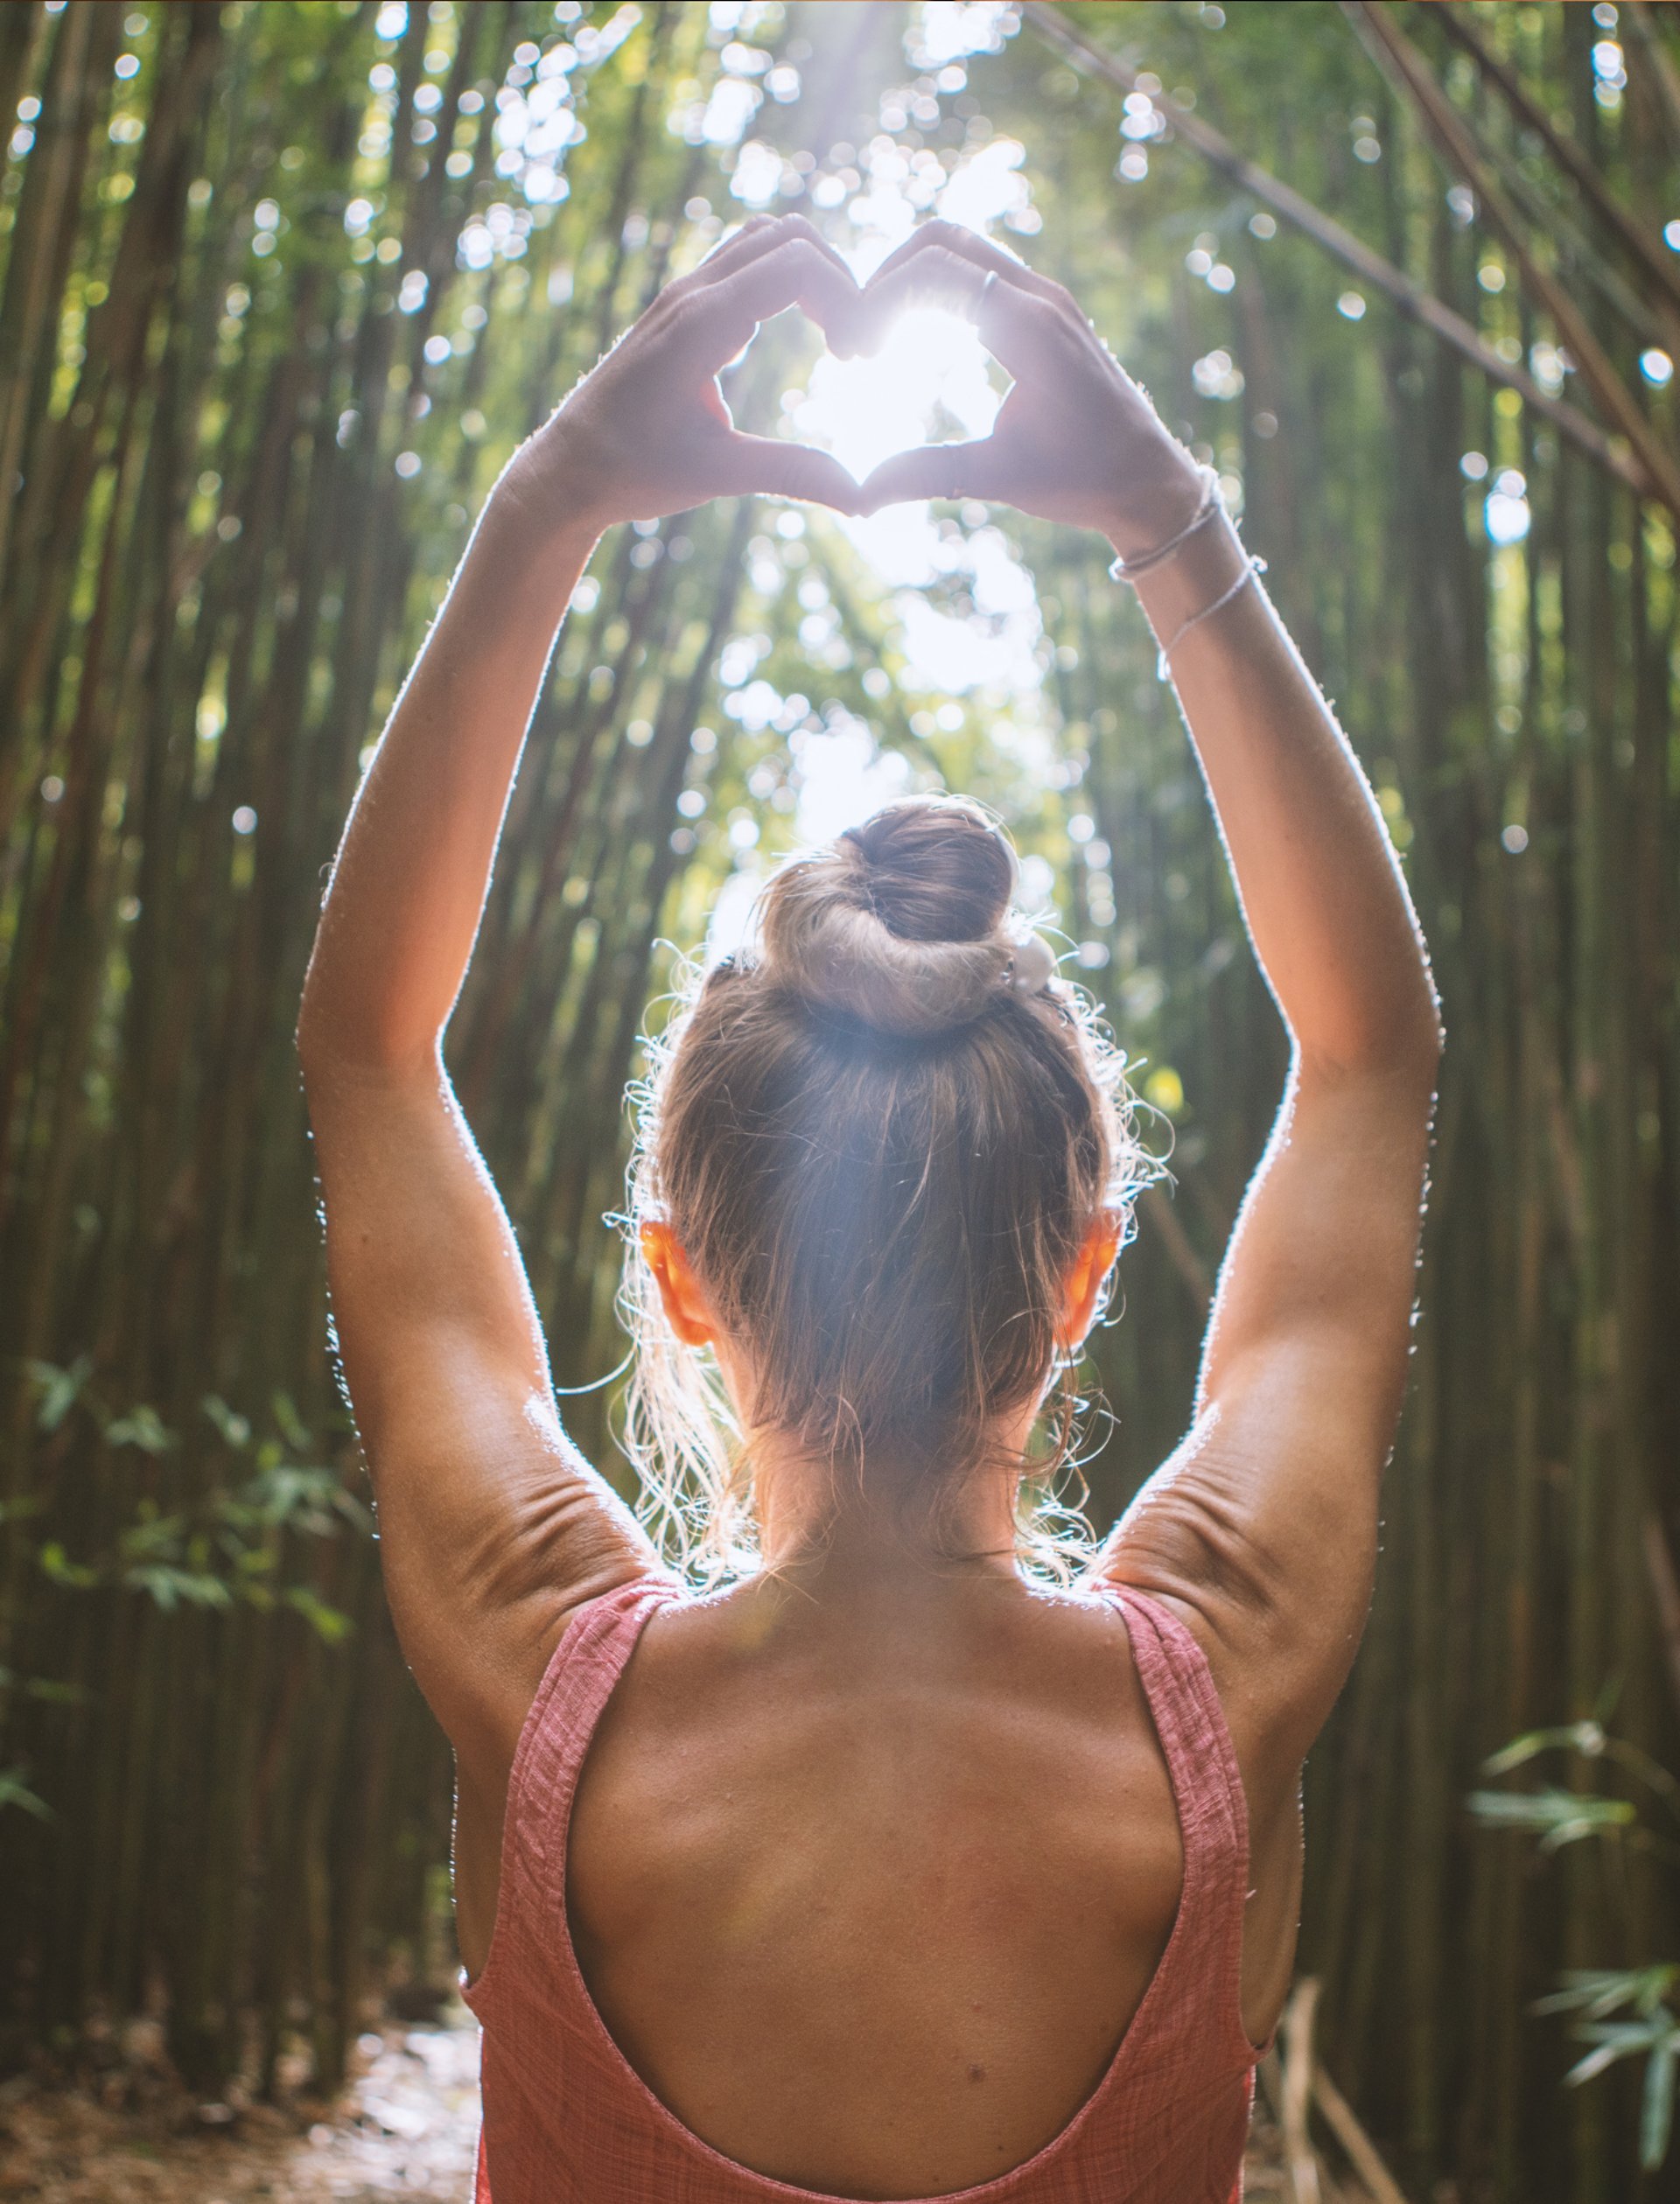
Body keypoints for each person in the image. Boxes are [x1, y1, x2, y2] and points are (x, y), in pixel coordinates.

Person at [297, 214, 1442, 2203]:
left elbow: (369, 1054)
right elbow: (1369, 1053)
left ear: (677, 1282)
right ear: (1087, 1272)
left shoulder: (543, 1679)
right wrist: (1165, 517)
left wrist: (552, 502)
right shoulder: (1219, 1692)